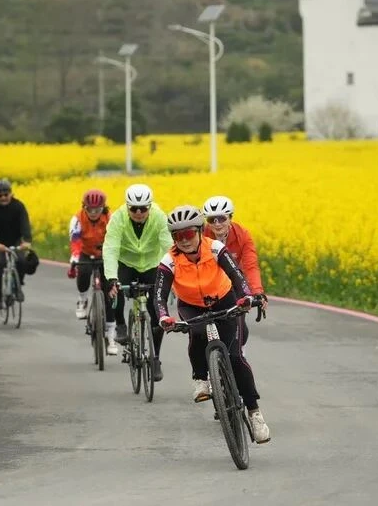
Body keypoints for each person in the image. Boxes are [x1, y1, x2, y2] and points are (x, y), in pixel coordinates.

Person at [155, 205, 270, 443]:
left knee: (236, 357)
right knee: (196, 333)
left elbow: (238, 275)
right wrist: (164, 316)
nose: (184, 240)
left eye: (188, 234)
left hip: (224, 300)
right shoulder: (170, 260)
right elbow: (159, 295)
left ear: (199, 231)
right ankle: (201, 378)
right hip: (191, 305)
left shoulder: (216, 248)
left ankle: (254, 412)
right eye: (178, 236)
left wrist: (246, 296)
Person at [103, 183, 173, 381]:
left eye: (144, 208)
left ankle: (155, 358)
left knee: (157, 312)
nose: (139, 212)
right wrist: (112, 278)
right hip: (126, 263)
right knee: (116, 290)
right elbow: (110, 248)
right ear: (127, 207)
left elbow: (169, 246)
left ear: (150, 206)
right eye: (134, 208)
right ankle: (120, 325)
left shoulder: (159, 216)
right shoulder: (117, 219)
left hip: (152, 263)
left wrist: (176, 275)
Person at [67, 189, 119, 355]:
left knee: (109, 292)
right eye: (90, 209)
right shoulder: (77, 218)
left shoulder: (110, 218)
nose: (94, 213)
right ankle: (82, 300)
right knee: (83, 271)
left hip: (106, 253)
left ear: (103, 208)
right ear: (85, 208)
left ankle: (111, 335)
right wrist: (75, 257)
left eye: (98, 210)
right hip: (85, 251)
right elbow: (75, 240)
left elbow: (116, 238)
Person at [202, 196, 267, 311]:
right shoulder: (201, 235)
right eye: (211, 220)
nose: (217, 224)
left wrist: (257, 292)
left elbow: (250, 266)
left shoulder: (242, 235)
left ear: (230, 218)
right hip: (208, 283)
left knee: (239, 325)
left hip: (233, 282)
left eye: (222, 219)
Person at [0, 179, 33, 310]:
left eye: (6, 195)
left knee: (21, 260)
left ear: (11, 193)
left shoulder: (19, 206)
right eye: (0, 196)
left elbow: (25, 225)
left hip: (14, 240)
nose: (3, 198)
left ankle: (18, 286)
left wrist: (27, 241)